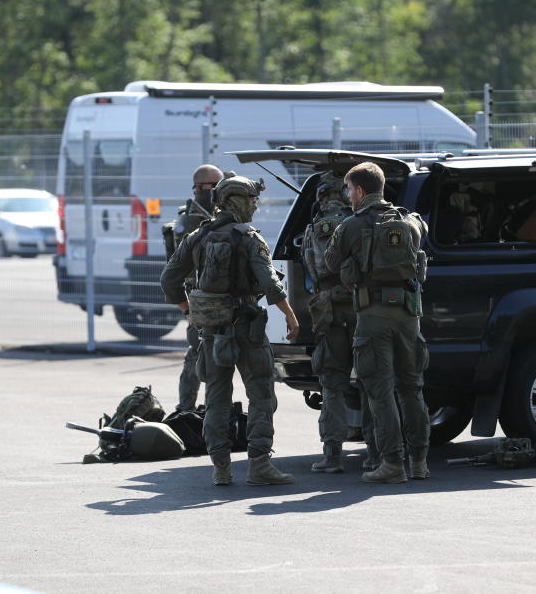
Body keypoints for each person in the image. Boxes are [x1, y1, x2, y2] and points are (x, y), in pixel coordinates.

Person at [160, 175, 300, 486]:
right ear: (237, 201)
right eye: (251, 199)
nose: (255, 205)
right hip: (248, 328)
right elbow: (269, 283)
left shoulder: (197, 236)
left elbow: (169, 280)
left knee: (216, 398)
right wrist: (290, 316)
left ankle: (221, 469)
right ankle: (260, 465)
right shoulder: (249, 237)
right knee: (261, 394)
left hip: (211, 330)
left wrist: (190, 313)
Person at [324, 162, 430, 483]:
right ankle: (419, 462)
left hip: (372, 316)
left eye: (348, 190)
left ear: (358, 191)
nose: (347, 195)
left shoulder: (352, 225)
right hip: (409, 315)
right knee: (412, 388)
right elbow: (420, 238)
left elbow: (330, 262)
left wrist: (353, 264)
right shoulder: (410, 222)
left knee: (380, 392)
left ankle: (392, 464)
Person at [302, 172, 378, 473]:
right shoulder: (362, 222)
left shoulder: (317, 226)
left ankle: (332, 456)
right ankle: (374, 454)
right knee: (370, 383)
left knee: (332, 384)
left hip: (330, 309)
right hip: (362, 305)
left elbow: (317, 267)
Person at [172, 164, 224, 413]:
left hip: (217, 294)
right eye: (216, 185)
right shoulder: (190, 219)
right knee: (196, 352)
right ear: (202, 187)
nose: (219, 190)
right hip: (198, 295)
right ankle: (186, 409)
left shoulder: (215, 212)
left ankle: (211, 408)